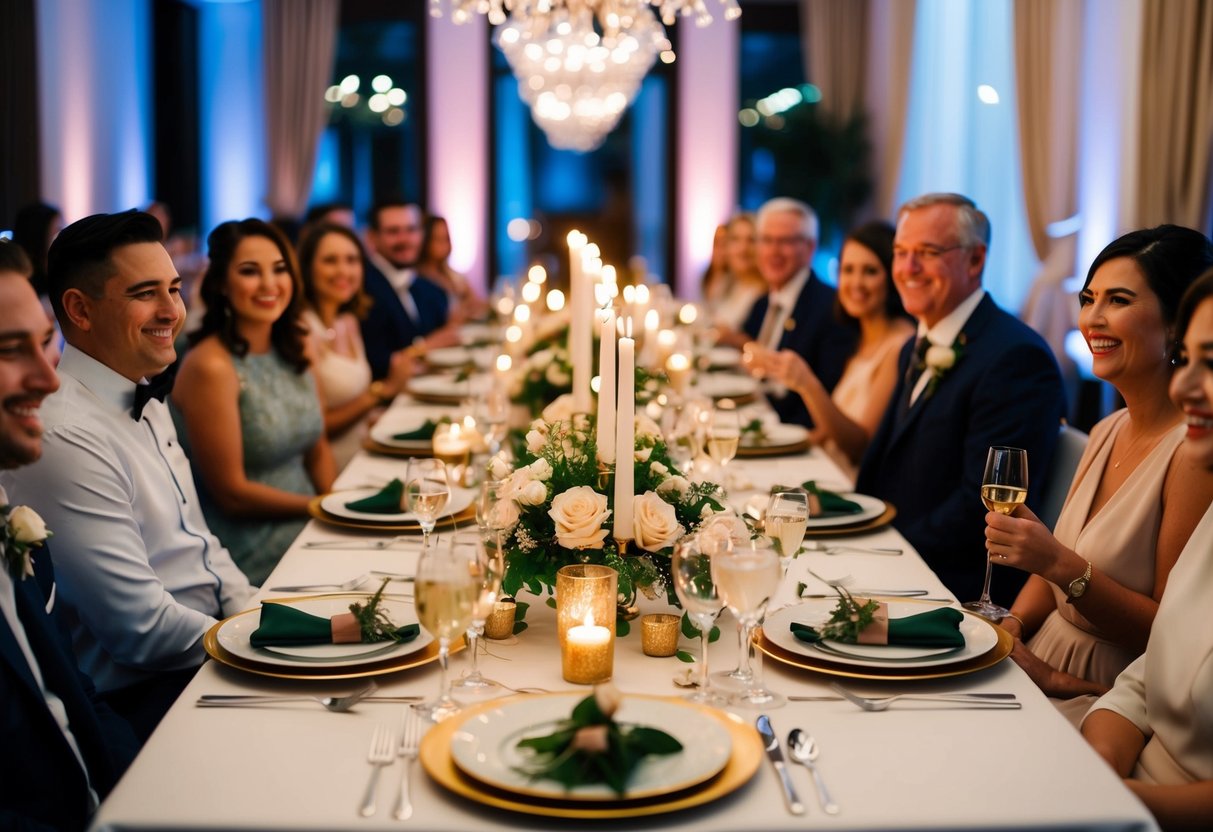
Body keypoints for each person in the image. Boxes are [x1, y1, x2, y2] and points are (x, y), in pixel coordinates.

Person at [0, 211, 255, 741]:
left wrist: (265, 613)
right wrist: (269, 641)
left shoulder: (141, 384)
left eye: (175, 289)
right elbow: (140, 631)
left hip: (213, 651)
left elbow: (206, 551)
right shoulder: (65, 432)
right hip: (152, 695)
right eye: (145, 294)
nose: (172, 310)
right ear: (79, 310)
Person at [984, 226, 1213, 726]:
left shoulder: (1193, 457)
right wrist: (1013, 628)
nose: (1093, 318)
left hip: (1109, 696)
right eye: (1090, 299)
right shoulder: (1108, 428)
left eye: (1119, 300)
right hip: (1037, 663)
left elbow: (1171, 635)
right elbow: (1052, 565)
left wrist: (1060, 563)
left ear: (1177, 323)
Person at [855, 192, 1065, 606]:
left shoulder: (1016, 358)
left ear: (975, 260)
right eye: (900, 252)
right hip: (898, 560)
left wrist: (881, 552)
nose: (907, 268)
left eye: (927, 252)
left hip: (950, 588)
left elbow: (979, 511)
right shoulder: (914, 344)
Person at [0, 244, 138, 831]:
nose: (50, 381)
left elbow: (74, 695)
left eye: (43, 342)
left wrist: (153, 789)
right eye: (10, 350)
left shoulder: (11, 518)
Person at [1080, 269, 1213, 830]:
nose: (1184, 386)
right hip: (1121, 771)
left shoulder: (1188, 463)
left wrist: (1118, 803)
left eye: (1212, 361)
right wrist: (1101, 767)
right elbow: (1144, 677)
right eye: (1189, 357)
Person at [172, 219, 335, 586]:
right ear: (222, 285)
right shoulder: (210, 365)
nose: (269, 285)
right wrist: (323, 508)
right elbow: (232, 494)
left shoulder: (295, 345)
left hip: (313, 524)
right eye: (249, 271)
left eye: (279, 270)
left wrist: (339, 509)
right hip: (251, 550)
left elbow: (318, 445)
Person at [748, 221, 914, 481]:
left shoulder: (900, 345)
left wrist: (806, 383)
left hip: (847, 487)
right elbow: (829, 430)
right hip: (821, 469)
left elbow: (859, 447)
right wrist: (767, 446)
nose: (856, 283)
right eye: (848, 270)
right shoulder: (858, 335)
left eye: (870, 271)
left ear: (892, 275)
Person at [297, 223, 412, 468]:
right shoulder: (303, 330)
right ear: (308, 268)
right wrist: (384, 390)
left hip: (367, 453)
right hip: (334, 467)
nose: (344, 271)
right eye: (330, 260)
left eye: (352, 260)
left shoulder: (347, 321)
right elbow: (317, 427)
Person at [739, 198, 857, 427]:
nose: (774, 251)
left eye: (786, 241)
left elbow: (825, 400)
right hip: (754, 419)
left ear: (810, 247)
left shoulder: (832, 308)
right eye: (766, 240)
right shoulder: (762, 303)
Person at [360, 200, 459, 379]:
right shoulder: (361, 287)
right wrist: (423, 348)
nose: (405, 239)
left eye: (412, 230)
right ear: (372, 237)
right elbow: (375, 361)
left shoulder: (425, 288)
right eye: (393, 231)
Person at [710, 213, 768, 345]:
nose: (743, 248)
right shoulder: (729, 283)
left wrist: (733, 339)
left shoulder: (767, 293)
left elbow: (765, 346)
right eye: (735, 240)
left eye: (751, 240)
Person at [417, 214, 488, 321]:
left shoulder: (452, 275)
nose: (443, 244)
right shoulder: (418, 279)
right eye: (437, 239)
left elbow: (477, 304)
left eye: (446, 238)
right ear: (425, 241)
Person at [12, 201, 63, 297]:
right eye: (57, 230)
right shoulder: (20, 281)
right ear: (38, 235)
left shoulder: (57, 270)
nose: (61, 236)